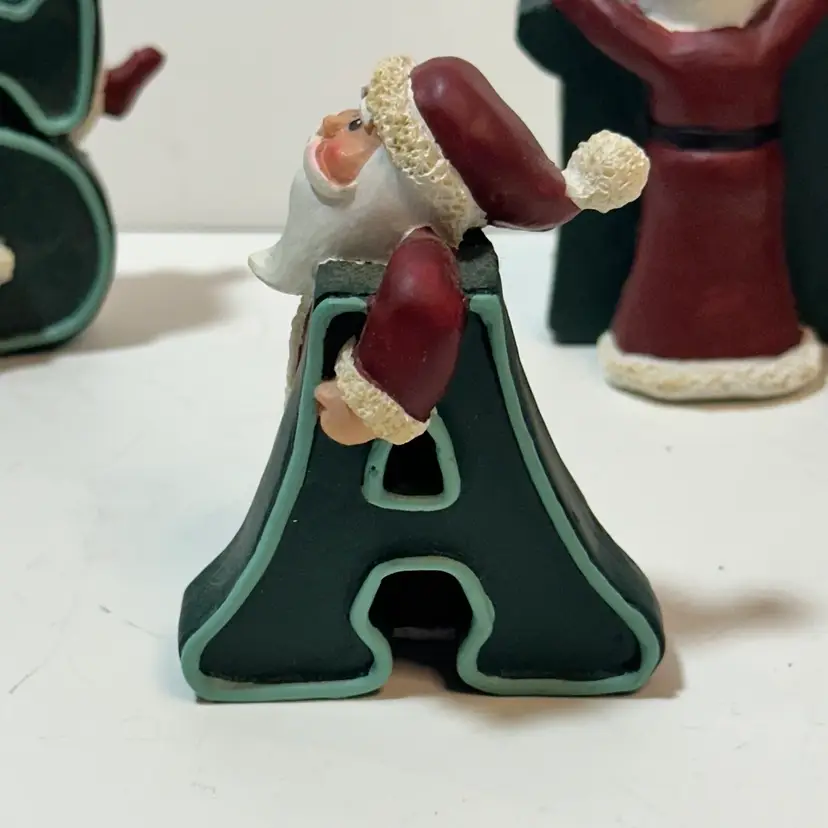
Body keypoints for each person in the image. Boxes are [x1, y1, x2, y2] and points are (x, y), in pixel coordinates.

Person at [249, 54, 650, 444]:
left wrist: (363, 407)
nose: (330, 122)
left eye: (358, 126)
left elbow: (423, 305)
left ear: (414, 181)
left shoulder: (419, 259)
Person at [531, 0, 827, 401]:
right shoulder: (758, 50)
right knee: (723, 266)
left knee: (689, 266)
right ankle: (747, 338)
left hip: (696, 176)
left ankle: (663, 340)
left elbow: (608, 22)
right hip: (732, 175)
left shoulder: (675, 54)